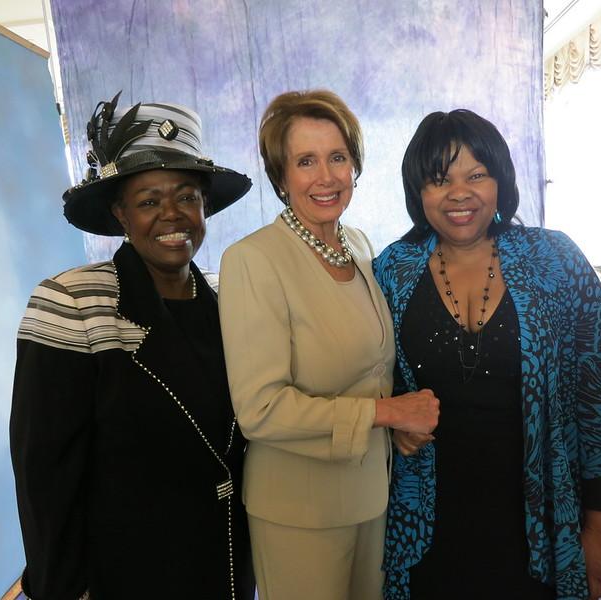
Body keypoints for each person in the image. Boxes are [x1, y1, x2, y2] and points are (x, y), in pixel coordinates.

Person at [373, 109, 601, 600]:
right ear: (418, 193)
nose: (459, 193)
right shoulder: (391, 270)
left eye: (477, 174)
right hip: (425, 521)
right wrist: (390, 427)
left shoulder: (556, 260)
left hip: (537, 518)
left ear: (500, 181)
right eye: (439, 179)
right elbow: (367, 380)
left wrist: (600, 531)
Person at [10, 93, 255, 600]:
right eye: (149, 201)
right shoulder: (71, 300)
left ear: (204, 206)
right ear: (120, 213)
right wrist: (60, 588)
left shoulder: (231, 296)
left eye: (187, 196)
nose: (172, 215)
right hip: (127, 571)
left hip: (226, 565)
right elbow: (45, 476)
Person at [217, 90, 439, 600]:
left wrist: (396, 427)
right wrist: (387, 415)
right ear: (280, 177)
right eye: (305, 161)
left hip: (368, 496)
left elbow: (371, 369)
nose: (326, 177)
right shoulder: (253, 260)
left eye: (337, 157)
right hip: (299, 511)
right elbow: (260, 410)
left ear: (354, 166)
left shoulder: (358, 245)